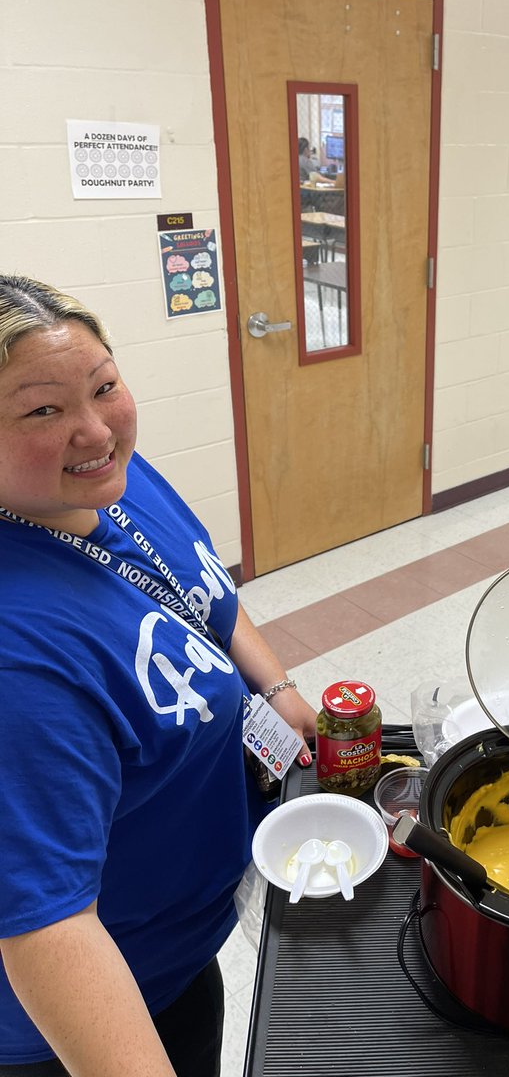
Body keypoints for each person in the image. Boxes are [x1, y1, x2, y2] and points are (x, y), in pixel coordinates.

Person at [0, 276, 319, 1076]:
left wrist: (278, 693)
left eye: (105, 385)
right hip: (90, 1017)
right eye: (43, 410)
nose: (95, 429)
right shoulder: (18, 657)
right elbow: (47, 924)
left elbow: (204, 597)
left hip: (179, 941)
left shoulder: (113, 479)